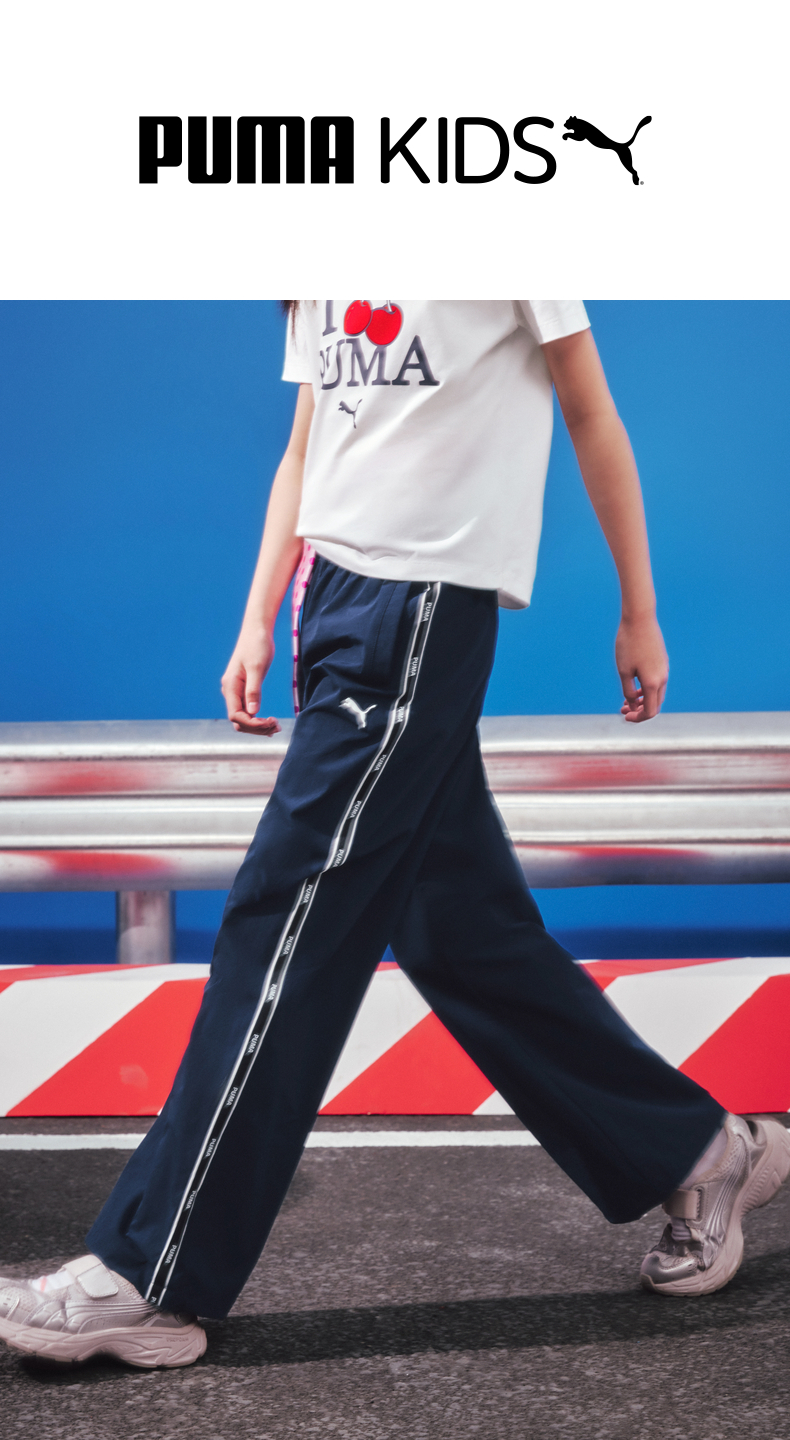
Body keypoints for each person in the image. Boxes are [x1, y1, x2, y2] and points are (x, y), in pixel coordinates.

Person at [2, 301, 788, 1370]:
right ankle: (698, 1150)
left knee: (282, 924)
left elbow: (591, 412)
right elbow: (308, 447)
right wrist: (258, 614)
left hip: (419, 609)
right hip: (332, 600)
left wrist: (637, 609)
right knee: (458, 929)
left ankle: (152, 1276)